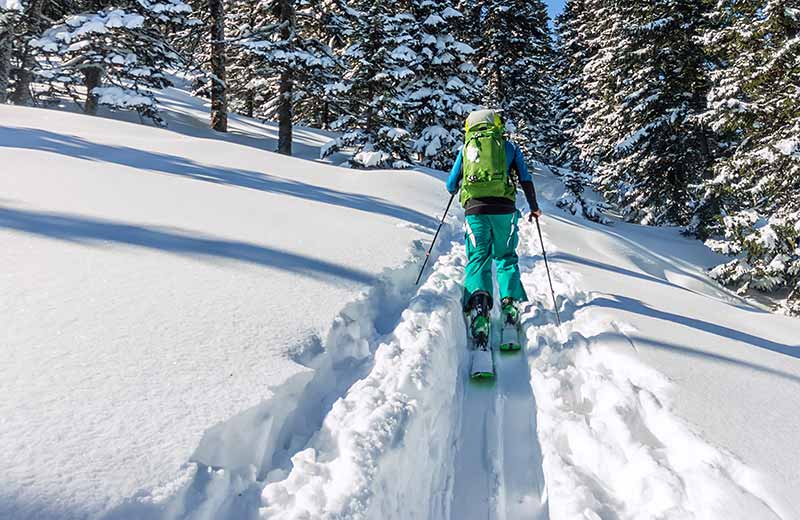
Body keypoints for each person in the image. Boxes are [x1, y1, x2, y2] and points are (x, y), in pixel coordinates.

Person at [446, 109, 541, 348]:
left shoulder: (466, 148)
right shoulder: (509, 148)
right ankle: (509, 307)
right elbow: (525, 178)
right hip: (504, 210)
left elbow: (450, 184)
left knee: (478, 258)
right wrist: (534, 207)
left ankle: (479, 309)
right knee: (505, 256)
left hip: (475, 211)